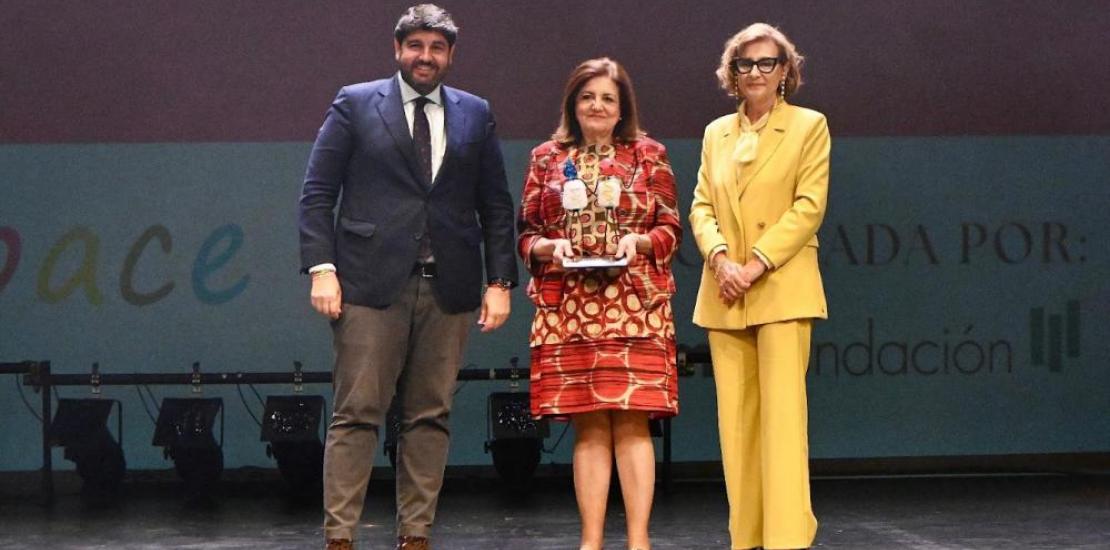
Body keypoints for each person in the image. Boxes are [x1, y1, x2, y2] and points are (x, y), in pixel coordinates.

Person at [297, 4, 517, 550]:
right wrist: (322, 269)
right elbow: (318, 194)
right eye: (416, 46)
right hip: (369, 284)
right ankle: (340, 538)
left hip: (450, 285)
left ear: (450, 56)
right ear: (398, 49)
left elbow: (495, 204)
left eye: (437, 48)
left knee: (429, 416)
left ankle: (415, 535)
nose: (426, 56)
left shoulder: (475, 112)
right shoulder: (355, 103)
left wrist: (500, 281)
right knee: (357, 414)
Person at [517, 57, 681, 550]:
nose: (597, 106)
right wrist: (550, 248)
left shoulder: (649, 154)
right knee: (589, 422)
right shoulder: (545, 157)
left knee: (632, 420)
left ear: (622, 107)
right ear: (573, 102)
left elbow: (670, 226)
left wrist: (642, 243)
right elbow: (526, 233)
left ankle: (638, 541)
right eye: (588, 96)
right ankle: (590, 542)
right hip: (568, 305)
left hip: (636, 303)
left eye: (608, 98)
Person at [688, 23, 831, 550]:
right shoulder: (715, 133)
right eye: (744, 64)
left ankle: (787, 538)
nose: (754, 73)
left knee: (782, 426)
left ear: (785, 71)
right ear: (732, 72)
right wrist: (722, 260)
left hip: (780, 290)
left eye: (766, 63)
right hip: (726, 293)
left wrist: (757, 264)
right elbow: (701, 205)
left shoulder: (809, 126)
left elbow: (808, 206)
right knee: (738, 430)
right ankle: (745, 537)